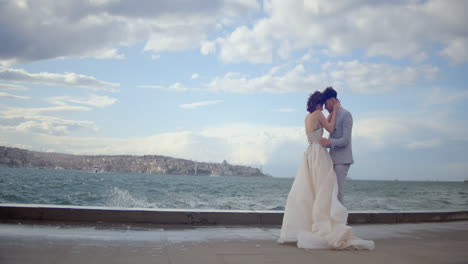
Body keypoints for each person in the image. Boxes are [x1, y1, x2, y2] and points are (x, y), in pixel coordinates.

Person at [277, 90, 374, 250]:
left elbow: (329, 128)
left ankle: (318, 223)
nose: (324, 107)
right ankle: (330, 225)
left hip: (310, 153)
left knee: (314, 190)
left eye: (326, 103)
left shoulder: (308, 117)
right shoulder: (320, 114)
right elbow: (329, 127)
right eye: (322, 104)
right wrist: (335, 111)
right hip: (320, 153)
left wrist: (333, 113)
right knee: (326, 190)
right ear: (319, 104)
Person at [319, 87, 353, 204]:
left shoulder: (346, 115)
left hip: (342, 161)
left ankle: (340, 221)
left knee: (338, 192)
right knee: (330, 192)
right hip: (331, 159)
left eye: (326, 103)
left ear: (332, 101)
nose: (325, 107)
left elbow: (346, 140)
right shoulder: (332, 116)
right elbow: (331, 139)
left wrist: (330, 142)